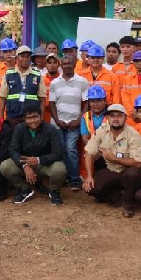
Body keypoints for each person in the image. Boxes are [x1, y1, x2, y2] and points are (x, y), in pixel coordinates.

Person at [83, 104, 141, 217]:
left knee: (132, 174)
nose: (116, 119)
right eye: (112, 116)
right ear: (107, 118)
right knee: (90, 188)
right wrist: (89, 176)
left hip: (128, 171)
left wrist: (114, 159)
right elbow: (89, 152)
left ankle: (128, 205)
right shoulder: (102, 131)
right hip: (112, 170)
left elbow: (137, 163)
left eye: (119, 116)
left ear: (125, 118)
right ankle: (120, 197)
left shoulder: (134, 135)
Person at [0, 105, 66, 205]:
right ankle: (25, 189)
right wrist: (24, 166)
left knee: (60, 169)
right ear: (24, 119)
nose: (32, 121)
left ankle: (54, 191)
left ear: (41, 117)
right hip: (25, 163)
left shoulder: (50, 130)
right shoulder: (19, 129)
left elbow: (58, 153)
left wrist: (39, 160)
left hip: (45, 164)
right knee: (5, 166)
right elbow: (13, 150)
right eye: (29, 118)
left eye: (35, 117)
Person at [49, 55, 89, 191]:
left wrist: (78, 120)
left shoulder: (82, 81)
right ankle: (63, 177)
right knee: (60, 150)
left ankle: (74, 179)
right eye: (64, 63)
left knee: (71, 149)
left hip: (74, 123)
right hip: (58, 123)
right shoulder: (55, 82)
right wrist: (57, 120)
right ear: (61, 65)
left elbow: (87, 103)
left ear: (74, 64)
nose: (67, 65)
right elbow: (52, 103)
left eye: (69, 63)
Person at [0, 46, 46, 127]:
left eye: (27, 56)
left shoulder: (37, 74)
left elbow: (42, 99)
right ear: (16, 58)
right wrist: (1, 120)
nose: (25, 59)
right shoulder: (9, 74)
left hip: (32, 118)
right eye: (22, 56)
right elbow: (2, 99)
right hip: (13, 117)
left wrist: (41, 118)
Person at [0, 38, 16, 109]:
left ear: (15, 51)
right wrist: (4, 104)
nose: (8, 54)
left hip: (19, 108)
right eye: (5, 52)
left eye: (10, 51)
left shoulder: (20, 67)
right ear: (2, 53)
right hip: (2, 109)